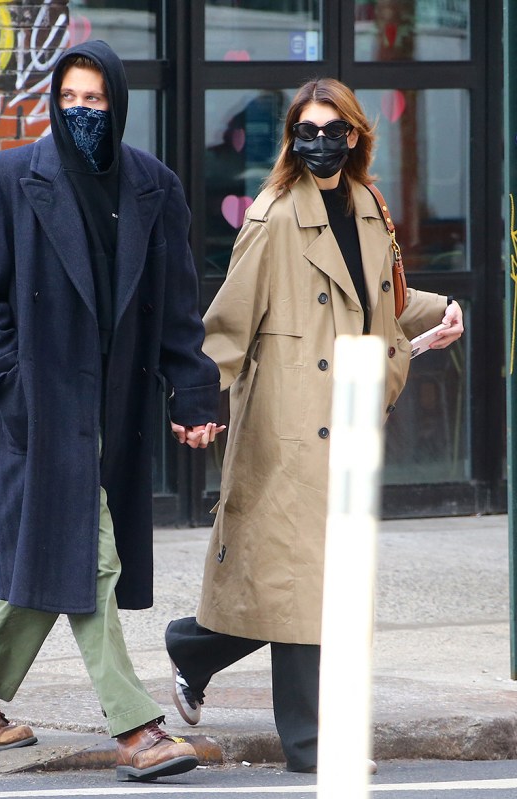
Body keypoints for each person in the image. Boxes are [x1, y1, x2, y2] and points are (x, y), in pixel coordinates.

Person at [0, 40, 224, 783]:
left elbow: (178, 309)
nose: (82, 111)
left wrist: (192, 392)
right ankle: (136, 727)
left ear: (116, 103)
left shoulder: (154, 185)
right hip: (42, 404)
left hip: (113, 406)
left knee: (59, 550)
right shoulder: (6, 179)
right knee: (92, 558)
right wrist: (9, 381)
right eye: (69, 99)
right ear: (52, 102)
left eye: (95, 100)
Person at [166, 77, 464, 774]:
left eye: (335, 130)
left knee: (306, 583)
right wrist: (200, 402)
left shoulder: (367, 206)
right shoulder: (271, 217)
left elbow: (383, 296)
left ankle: (195, 644)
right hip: (290, 423)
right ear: (293, 136)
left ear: (356, 136)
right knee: (307, 583)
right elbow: (229, 322)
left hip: (354, 415)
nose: (321, 141)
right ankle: (309, 743)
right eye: (309, 129)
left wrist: (439, 306)